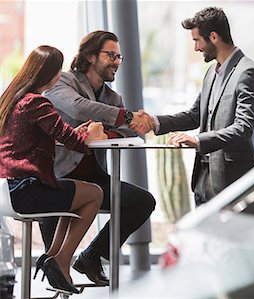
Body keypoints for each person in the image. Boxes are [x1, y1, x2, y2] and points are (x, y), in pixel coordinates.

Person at [43, 30, 156, 286]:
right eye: (111, 55)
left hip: (94, 180)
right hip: (59, 179)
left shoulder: (113, 98)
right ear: (91, 56)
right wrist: (126, 117)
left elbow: (130, 133)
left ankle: (92, 256)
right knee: (52, 265)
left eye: (119, 56)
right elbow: (78, 107)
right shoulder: (62, 81)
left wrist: (105, 133)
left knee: (142, 201)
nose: (116, 61)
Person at [0, 45, 106, 293]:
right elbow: (74, 142)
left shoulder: (13, 99)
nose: (60, 76)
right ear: (48, 73)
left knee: (72, 195)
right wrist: (92, 135)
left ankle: (52, 257)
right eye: (58, 70)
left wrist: (73, 134)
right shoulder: (37, 102)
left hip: (7, 190)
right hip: (24, 191)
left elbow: (46, 135)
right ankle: (62, 259)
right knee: (95, 194)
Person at [140, 7, 254, 206]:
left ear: (213, 36)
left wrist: (197, 140)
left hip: (232, 181)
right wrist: (153, 122)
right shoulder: (211, 73)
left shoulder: (247, 72)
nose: (196, 48)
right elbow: (194, 116)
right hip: (203, 181)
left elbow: (244, 128)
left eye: (197, 40)